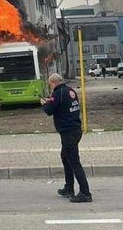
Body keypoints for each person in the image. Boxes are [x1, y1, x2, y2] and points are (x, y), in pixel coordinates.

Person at [41, 73, 91, 203]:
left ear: (53, 83)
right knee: (65, 157)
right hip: (75, 129)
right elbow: (63, 106)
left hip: (68, 132)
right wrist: (50, 102)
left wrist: (44, 104)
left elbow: (49, 110)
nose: (50, 87)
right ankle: (69, 187)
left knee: (74, 162)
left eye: (50, 84)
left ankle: (85, 193)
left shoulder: (58, 94)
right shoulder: (70, 91)